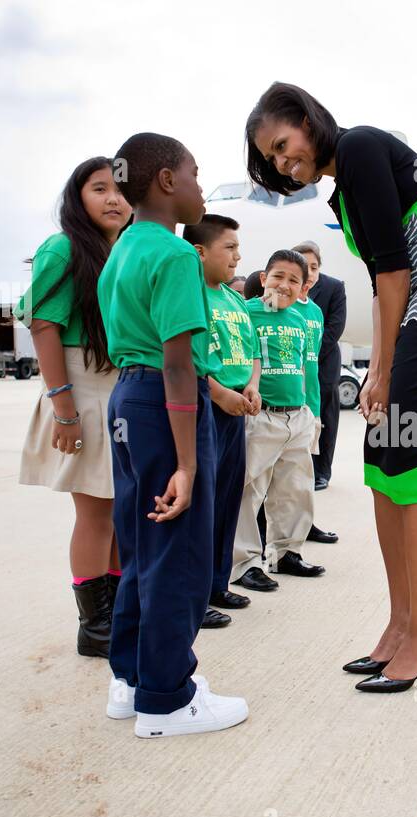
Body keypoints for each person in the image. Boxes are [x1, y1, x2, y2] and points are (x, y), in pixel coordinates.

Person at [246, 83, 417, 693]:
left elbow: (396, 271)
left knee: (412, 457)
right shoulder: (343, 191)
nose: (284, 163)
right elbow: (379, 277)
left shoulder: (361, 145)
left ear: (309, 122)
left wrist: (384, 371)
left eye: (285, 145)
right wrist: (378, 369)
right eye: (273, 159)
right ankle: (400, 626)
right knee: (382, 460)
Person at [97, 131, 247, 738]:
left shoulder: (124, 247)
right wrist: (187, 464)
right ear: (165, 181)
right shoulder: (177, 254)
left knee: (141, 547)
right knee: (179, 553)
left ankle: (133, 681)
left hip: (129, 399)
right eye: (193, 174)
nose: (199, 187)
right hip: (166, 401)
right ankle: (168, 698)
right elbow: (180, 362)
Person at [15, 156, 132, 658]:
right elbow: (44, 325)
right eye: (99, 188)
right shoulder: (63, 248)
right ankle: (96, 627)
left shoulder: (123, 252)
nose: (113, 199)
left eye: (121, 190)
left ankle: (116, 614)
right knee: (95, 513)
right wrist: (63, 408)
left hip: (117, 388)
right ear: (77, 197)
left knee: (119, 511)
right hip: (80, 390)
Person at [182, 214, 262, 627]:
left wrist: (251, 385)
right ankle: (194, 597)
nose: (237, 256)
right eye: (229, 248)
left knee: (229, 499)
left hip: (236, 411)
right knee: (203, 504)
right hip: (206, 408)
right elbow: (185, 357)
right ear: (200, 252)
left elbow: (252, 351)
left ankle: (217, 584)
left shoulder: (233, 299)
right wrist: (219, 393)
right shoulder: (191, 293)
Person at [231, 250, 325, 590]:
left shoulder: (301, 319)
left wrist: (312, 413)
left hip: (297, 415)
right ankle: (243, 564)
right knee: (248, 491)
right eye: (278, 277)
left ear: (303, 288)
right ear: (264, 278)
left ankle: (286, 553)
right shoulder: (245, 312)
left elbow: (307, 368)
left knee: (294, 490)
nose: (284, 285)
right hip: (261, 415)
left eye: (294, 280)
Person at [289, 261, 338, 545]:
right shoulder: (278, 308)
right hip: (283, 403)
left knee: (304, 473)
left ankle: (304, 526)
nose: (308, 275)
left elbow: (312, 360)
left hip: (310, 404)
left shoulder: (316, 313)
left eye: (314, 268)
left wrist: (315, 407)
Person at [293, 240, 347, 490]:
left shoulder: (334, 288)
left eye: (314, 267)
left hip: (323, 363)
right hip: (291, 364)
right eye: (305, 266)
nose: (310, 273)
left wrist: (311, 355)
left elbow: (334, 329)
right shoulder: (288, 287)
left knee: (325, 416)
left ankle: (322, 470)